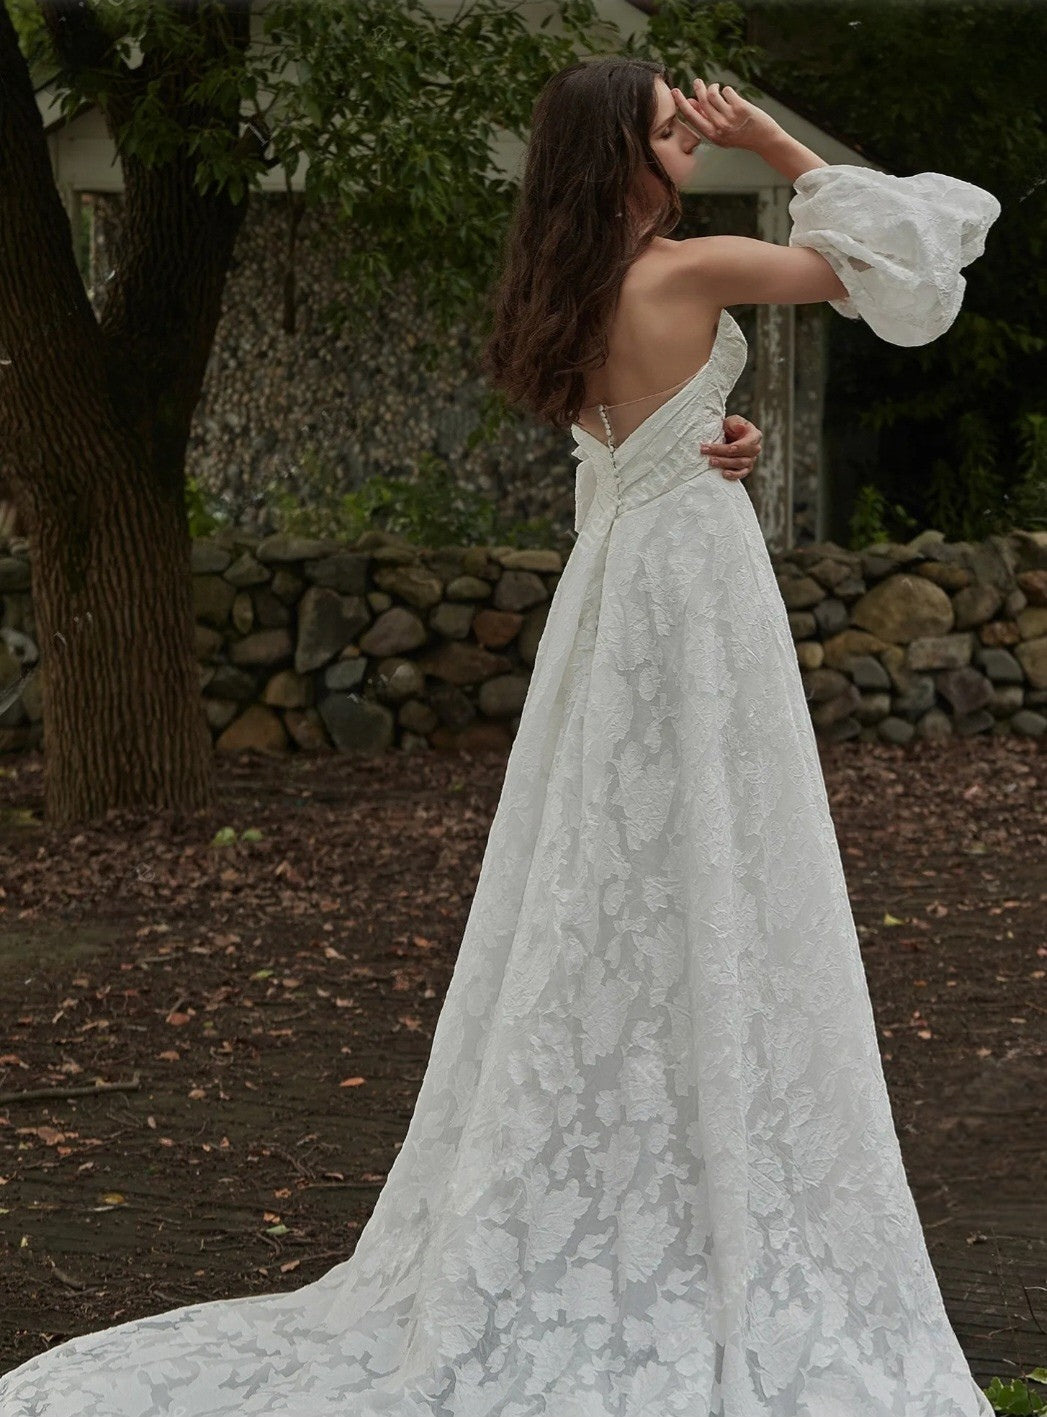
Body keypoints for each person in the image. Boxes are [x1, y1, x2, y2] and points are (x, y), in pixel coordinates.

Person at [0, 54, 1001, 1417]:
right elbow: (906, 269)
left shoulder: (580, 289)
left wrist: (722, 432)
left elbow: (633, 434)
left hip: (622, 574)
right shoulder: (687, 268)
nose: (688, 144)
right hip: (687, 590)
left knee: (612, 861)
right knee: (699, 837)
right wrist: (774, 142)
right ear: (624, 159)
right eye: (669, 131)